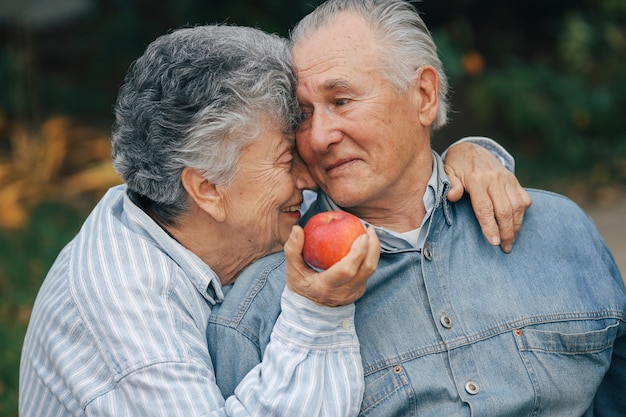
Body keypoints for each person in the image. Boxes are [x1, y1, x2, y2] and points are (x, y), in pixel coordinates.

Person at [19, 22, 525, 417]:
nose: (308, 179)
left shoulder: (202, 213)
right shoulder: (127, 318)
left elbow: (386, 183)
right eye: (287, 158)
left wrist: (466, 157)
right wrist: (315, 314)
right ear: (208, 189)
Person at [207, 1, 626, 416]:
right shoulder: (262, 307)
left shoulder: (561, 231)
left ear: (424, 95)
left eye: (342, 101)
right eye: (302, 114)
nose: (319, 137)